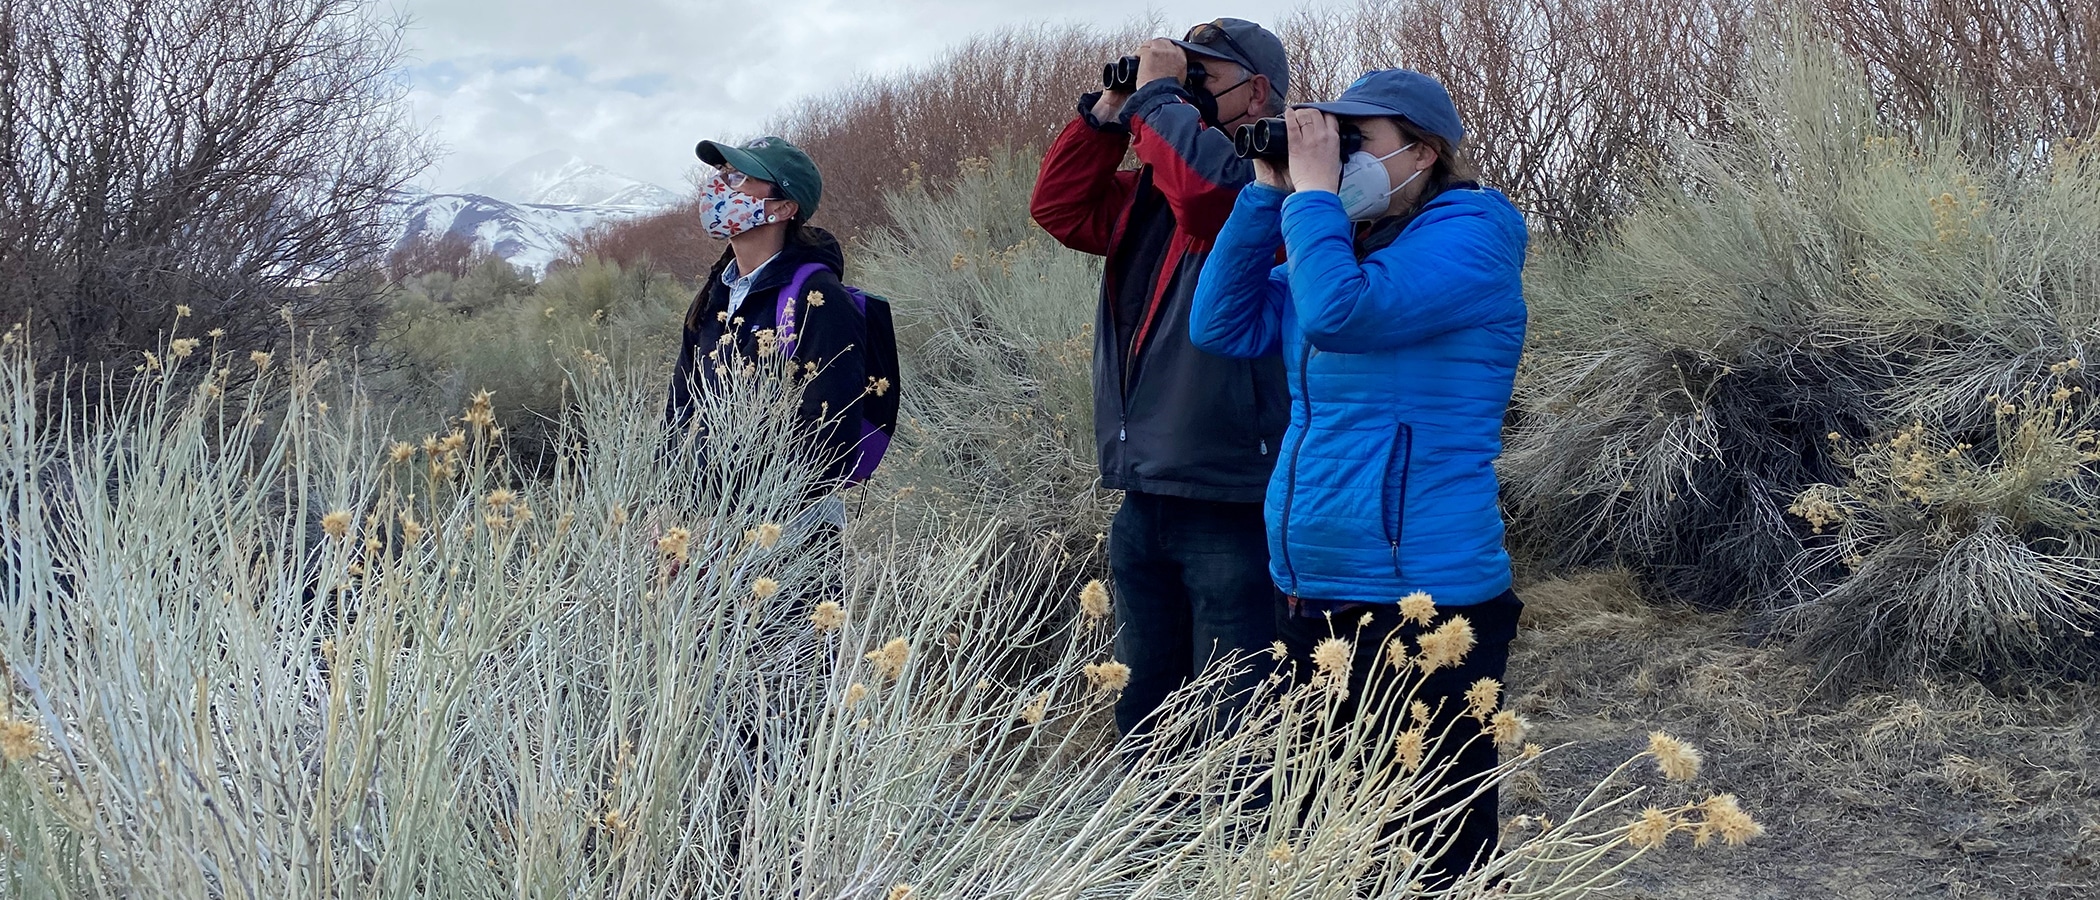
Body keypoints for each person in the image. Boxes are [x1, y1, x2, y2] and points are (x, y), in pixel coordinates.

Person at [1188, 69, 1528, 883]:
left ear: (1425, 149)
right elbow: (1218, 324)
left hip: (1425, 592)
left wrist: (1309, 201)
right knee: (1333, 828)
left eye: (1357, 143)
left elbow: (1343, 316)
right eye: (1329, 143)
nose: (1338, 162)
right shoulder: (1339, 251)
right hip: (1314, 582)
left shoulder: (1473, 235)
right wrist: (1269, 194)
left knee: (1435, 842)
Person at [1030, 19, 1293, 739]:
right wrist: (1106, 117)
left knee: (1239, 707)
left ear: (1257, 91)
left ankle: (1245, 847)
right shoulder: (1154, 191)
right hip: (1146, 485)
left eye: (1197, 77)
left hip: (1230, 486)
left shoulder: (1283, 174)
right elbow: (1059, 208)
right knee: (1148, 698)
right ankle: (1150, 844)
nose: (1178, 89)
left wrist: (1156, 100)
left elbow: (1213, 197)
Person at [668, 135, 865, 538]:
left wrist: (733, 516)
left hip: (789, 534)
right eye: (722, 173)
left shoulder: (820, 298)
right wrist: (671, 508)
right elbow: (681, 407)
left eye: (738, 177)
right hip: (707, 528)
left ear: (782, 208)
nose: (720, 185)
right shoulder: (716, 292)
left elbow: (831, 436)